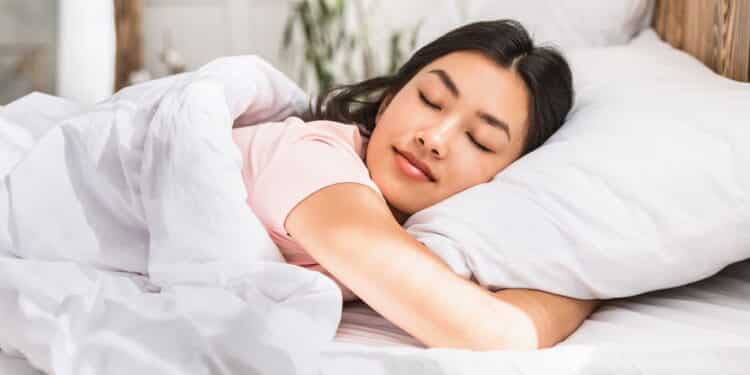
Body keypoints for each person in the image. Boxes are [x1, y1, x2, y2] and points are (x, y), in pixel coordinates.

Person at [231, 19, 599, 351]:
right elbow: (491, 332)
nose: (434, 138)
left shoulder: (442, 238)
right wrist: (590, 290)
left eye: (480, 140)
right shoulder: (314, 163)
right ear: (389, 100)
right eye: (430, 100)